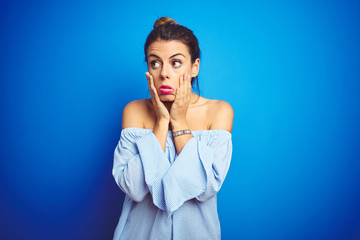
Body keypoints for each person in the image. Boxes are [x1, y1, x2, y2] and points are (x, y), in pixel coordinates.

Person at [112, 17, 234, 240]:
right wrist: (161, 122)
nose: (164, 73)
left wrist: (179, 121)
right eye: (155, 63)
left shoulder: (218, 111)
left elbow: (205, 189)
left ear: (194, 67)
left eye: (175, 63)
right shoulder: (134, 111)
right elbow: (134, 189)